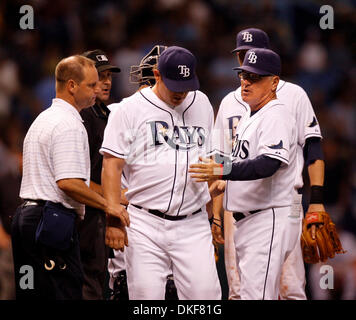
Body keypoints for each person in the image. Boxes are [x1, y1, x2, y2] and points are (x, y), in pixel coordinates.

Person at [100, 45, 221, 300]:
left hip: (193, 223)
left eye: (186, 84)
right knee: (147, 299)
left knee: (207, 297)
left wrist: (218, 182)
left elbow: (216, 158)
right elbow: (111, 165)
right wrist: (113, 219)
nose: (181, 92)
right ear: (157, 75)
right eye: (174, 84)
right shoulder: (128, 109)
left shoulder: (202, 102)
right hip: (144, 222)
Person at [212, 28, 325, 300]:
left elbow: (313, 148)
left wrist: (317, 199)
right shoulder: (231, 101)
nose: (244, 60)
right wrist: (216, 214)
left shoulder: (293, 95)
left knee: (291, 286)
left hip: (287, 200)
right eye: (240, 56)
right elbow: (220, 159)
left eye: (250, 55)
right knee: (239, 289)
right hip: (238, 201)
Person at [189, 48, 299, 300]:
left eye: (255, 77)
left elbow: (268, 164)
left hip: (266, 218)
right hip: (249, 219)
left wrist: (222, 170)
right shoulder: (252, 114)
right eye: (244, 75)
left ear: (273, 83)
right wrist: (222, 181)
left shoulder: (276, 113)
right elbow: (245, 163)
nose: (246, 82)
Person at [11, 55, 114, 300]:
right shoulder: (69, 124)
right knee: (63, 293)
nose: (96, 89)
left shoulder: (43, 119)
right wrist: (110, 205)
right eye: (90, 85)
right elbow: (68, 183)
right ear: (71, 86)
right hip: (50, 222)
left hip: (29, 219)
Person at [77, 49, 121, 300]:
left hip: (99, 213)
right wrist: (116, 198)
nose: (105, 82)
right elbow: (77, 178)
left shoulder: (103, 114)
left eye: (108, 76)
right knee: (88, 284)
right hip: (84, 215)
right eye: (99, 76)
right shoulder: (84, 115)